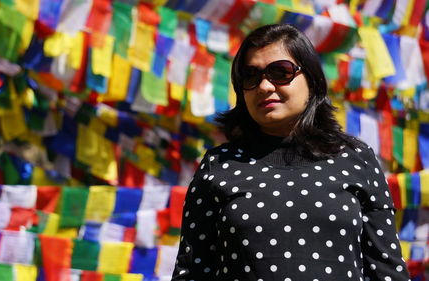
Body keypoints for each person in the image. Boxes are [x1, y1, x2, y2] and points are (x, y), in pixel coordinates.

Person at [171, 24, 410, 281]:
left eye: (280, 72)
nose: (264, 86)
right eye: (251, 76)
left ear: (312, 80)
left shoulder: (356, 158)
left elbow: (388, 271)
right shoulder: (220, 165)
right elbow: (192, 271)